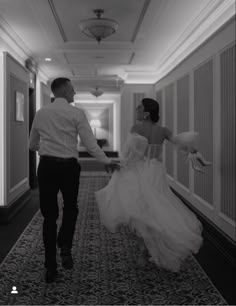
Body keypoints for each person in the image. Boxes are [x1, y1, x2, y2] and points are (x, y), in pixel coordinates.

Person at [95, 98, 211, 272]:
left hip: (139, 171)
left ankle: (143, 249)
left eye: (140, 107)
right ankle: (150, 246)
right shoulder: (163, 131)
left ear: (146, 113)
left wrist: (121, 166)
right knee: (156, 208)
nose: (136, 109)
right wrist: (194, 153)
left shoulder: (136, 129)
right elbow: (180, 143)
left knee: (140, 210)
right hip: (156, 172)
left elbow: (130, 154)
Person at [29, 77, 119, 283]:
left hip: (47, 167)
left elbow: (32, 144)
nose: (75, 92)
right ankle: (65, 245)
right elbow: (90, 144)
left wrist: (46, 148)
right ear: (63, 90)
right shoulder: (77, 113)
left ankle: (50, 267)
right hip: (69, 167)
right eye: (72, 89)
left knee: (49, 216)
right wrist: (106, 161)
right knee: (71, 208)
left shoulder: (41, 113)